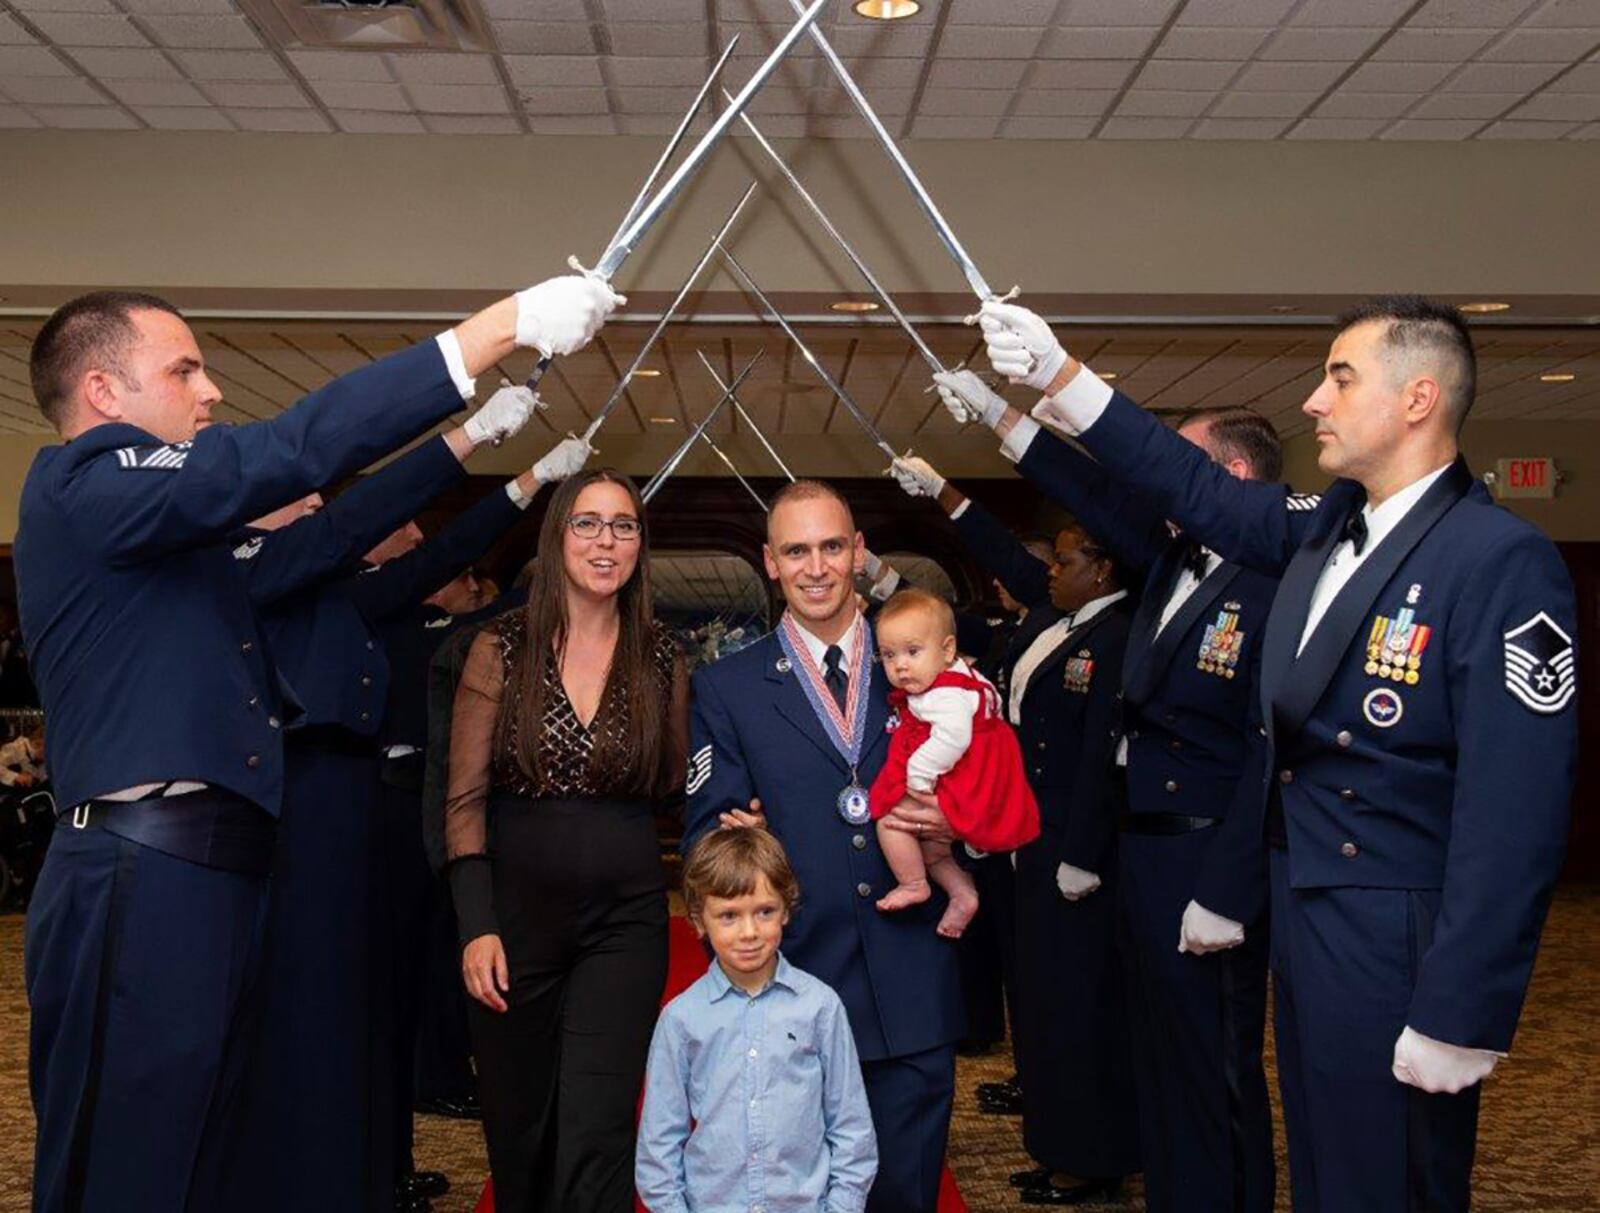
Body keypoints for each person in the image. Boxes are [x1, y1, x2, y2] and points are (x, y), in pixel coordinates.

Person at [16, 277, 617, 1213]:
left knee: (211, 1144)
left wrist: (472, 446)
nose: (209, 390)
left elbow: (339, 527)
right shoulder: (82, 485)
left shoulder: (175, 545)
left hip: (219, 870)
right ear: (103, 394)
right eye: (184, 369)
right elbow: (293, 451)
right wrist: (495, 332)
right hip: (140, 866)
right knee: (125, 1156)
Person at [976, 294, 1579, 1212]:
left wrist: (1464, 1009)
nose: (1314, 402)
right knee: (1330, 1163)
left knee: (1393, 1173)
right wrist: (1063, 380)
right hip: (1305, 907)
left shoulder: (1496, 557)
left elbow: (1517, 813)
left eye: (1340, 378)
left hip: (1400, 924)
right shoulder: (1327, 525)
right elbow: (1194, 488)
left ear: (1418, 399)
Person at [916, 382, 1288, 1213]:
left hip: (1210, 854)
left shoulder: (1272, 574)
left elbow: (1270, 751)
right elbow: (1096, 495)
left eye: (1180, 465)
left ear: (1228, 475)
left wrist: (1229, 887)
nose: (1159, 485)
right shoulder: (1177, 567)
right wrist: (1007, 423)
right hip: (1144, 853)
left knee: (1215, 1069)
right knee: (1159, 1060)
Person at [225, 391, 585, 1213]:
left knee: (366, 1002)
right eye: (303, 493)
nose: (318, 501)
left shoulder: (323, 586)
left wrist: (522, 489)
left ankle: (365, 1176)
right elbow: (362, 524)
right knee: (315, 1006)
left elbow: (429, 563)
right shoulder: (254, 568)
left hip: (353, 803)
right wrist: (476, 436)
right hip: (301, 798)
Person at [686, 480, 963, 1213]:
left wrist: (962, 820)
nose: (817, 566)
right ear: (770, 562)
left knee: (906, 1192)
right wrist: (728, 842)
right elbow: (706, 834)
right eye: (796, 549)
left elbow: (996, 785)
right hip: (792, 984)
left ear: (859, 554)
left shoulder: (924, 664)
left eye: (832, 546)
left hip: (913, 975)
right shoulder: (727, 686)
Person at [891, 463, 1141, 1206]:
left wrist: (1080, 854)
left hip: (1073, 853)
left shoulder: (1119, 631)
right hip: (1024, 840)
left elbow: (1100, 753)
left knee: (1079, 1007)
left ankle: (1091, 1158)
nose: (1050, 572)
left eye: (1065, 561)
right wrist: (941, 491)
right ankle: (1056, 1142)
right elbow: (1001, 558)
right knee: (1040, 1001)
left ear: (1102, 568)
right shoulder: (1053, 621)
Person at [445, 469, 688, 1213]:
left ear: (640, 545)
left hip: (626, 923)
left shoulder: (663, 655)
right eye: (587, 522)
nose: (605, 540)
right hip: (513, 924)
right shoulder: (501, 646)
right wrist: (476, 923)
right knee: (521, 1130)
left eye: (623, 525)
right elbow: (462, 802)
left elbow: (679, 788)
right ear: (557, 537)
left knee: (599, 1126)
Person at [635, 828, 878, 1213]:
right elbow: (659, 1143)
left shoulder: (820, 1006)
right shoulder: (680, 1019)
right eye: (728, 916)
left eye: (764, 912)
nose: (749, 932)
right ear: (699, 920)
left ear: (786, 909)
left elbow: (851, 1126)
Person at [867, 587, 1039, 937]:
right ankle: (962, 893)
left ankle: (913, 883)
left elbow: (953, 738)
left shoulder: (945, 695)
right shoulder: (959, 679)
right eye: (888, 655)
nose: (900, 665)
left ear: (947, 650)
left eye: (912, 652)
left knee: (890, 819)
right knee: (934, 851)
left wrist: (917, 777)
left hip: (959, 776)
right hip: (971, 772)